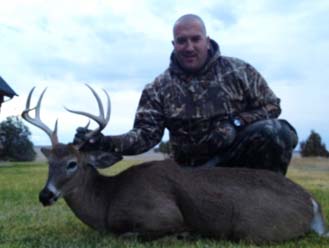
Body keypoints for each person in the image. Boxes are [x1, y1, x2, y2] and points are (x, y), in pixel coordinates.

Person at [74, 14, 298, 175]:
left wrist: (237, 122)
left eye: (195, 39)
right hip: (191, 172)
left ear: (206, 40)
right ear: (174, 44)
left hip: (238, 160)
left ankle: (269, 194)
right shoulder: (158, 88)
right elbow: (144, 137)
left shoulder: (238, 71)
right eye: (182, 41)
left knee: (277, 131)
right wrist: (104, 141)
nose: (189, 46)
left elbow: (272, 106)